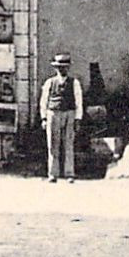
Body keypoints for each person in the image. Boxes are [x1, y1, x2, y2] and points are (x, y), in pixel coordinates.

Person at [39, 53, 83, 182]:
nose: (62, 69)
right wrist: (44, 118)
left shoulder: (74, 83)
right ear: (55, 68)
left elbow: (78, 101)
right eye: (59, 67)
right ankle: (53, 174)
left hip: (69, 113)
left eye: (64, 67)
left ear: (68, 68)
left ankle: (69, 174)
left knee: (68, 144)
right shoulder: (49, 82)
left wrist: (77, 119)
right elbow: (44, 101)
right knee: (53, 145)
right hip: (53, 113)